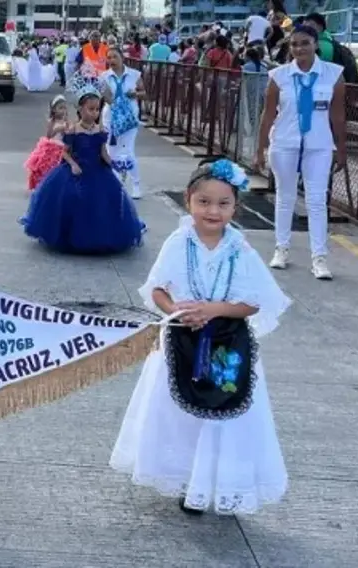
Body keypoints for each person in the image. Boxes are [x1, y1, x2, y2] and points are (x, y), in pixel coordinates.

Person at [110, 158, 289, 515]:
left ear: (236, 207)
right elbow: (157, 289)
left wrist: (213, 310)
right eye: (204, 202)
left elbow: (252, 303)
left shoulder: (240, 249)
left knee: (223, 415)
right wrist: (176, 308)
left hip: (227, 344)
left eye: (223, 204)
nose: (213, 211)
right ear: (188, 200)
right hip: (181, 341)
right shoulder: (179, 242)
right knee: (180, 416)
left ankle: (220, 479)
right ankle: (188, 478)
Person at [255, 24, 346, 280]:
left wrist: (342, 148)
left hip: (318, 145)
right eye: (294, 44)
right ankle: (281, 249)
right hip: (285, 143)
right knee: (285, 197)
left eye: (305, 43)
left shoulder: (333, 75)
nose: (299, 49)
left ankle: (319, 257)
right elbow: (268, 114)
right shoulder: (279, 76)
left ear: (316, 44)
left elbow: (338, 115)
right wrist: (260, 149)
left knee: (317, 201)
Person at [21, 85, 145, 254]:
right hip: (76, 169)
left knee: (106, 199)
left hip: (97, 170)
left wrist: (113, 164)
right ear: (80, 109)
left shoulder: (100, 130)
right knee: (71, 198)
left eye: (97, 110)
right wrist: (73, 164)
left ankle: (101, 235)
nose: (94, 113)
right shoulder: (73, 129)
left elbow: (103, 152)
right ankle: (69, 235)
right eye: (90, 109)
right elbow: (64, 152)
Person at [101, 46, 145, 199]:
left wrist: (135, 94)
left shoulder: (134, 75)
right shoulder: (104, 76)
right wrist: (107, 96)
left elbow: (144, 93)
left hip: (129, 118)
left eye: (115, 57)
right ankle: (114, 183)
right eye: (109, 57)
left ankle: (136, 184)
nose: (112, 60)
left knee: (128, 151)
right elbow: (106, 98)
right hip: (111, 117)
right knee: (111, 151)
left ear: (122, 58)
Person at [24, 95, 69, 191]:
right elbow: (49, 135)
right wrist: (57, 129)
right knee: (49, 167)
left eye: (64, 108)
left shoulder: (66, 121)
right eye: (60, 108)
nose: (63, 110)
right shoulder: (52, 121)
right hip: (53, 146)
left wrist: (66, 129)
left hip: (62, 147)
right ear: (54, 110)